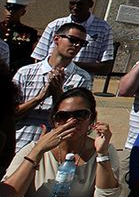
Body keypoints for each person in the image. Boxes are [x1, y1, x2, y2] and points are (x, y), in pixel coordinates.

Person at [1, 88, 119, 197]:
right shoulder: (31, 149)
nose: (71, 121)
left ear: (91, 118)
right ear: (54, 120)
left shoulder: (105, 150)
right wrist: (38, 150)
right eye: (63, 116)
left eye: (81, 115)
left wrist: (102, 154)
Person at [14, 23, 93, 151]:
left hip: (55, 147)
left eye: (82, 43)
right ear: (57, 39)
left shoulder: (82, 78)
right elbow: (11, 113)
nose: (77, 45)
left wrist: (57, 93)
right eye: (73, 40)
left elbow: (77, 120)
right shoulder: (26, 72)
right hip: (19, 142)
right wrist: (39, 98)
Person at [31, 0, 114, 76]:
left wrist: (71, 66)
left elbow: (106, 67)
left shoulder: (103, 28)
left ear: (90, 4)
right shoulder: (55, 25)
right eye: (72, 3)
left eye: (79, 4)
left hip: (80, 83)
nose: (75, 7)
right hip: (50, 79)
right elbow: (39, 58)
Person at [1, 0, 39, 74]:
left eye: (15, 9)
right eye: (8, 9)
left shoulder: (30, 33)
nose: (10, 12)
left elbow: (31, 57)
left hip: (13, 74)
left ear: (23, 12)